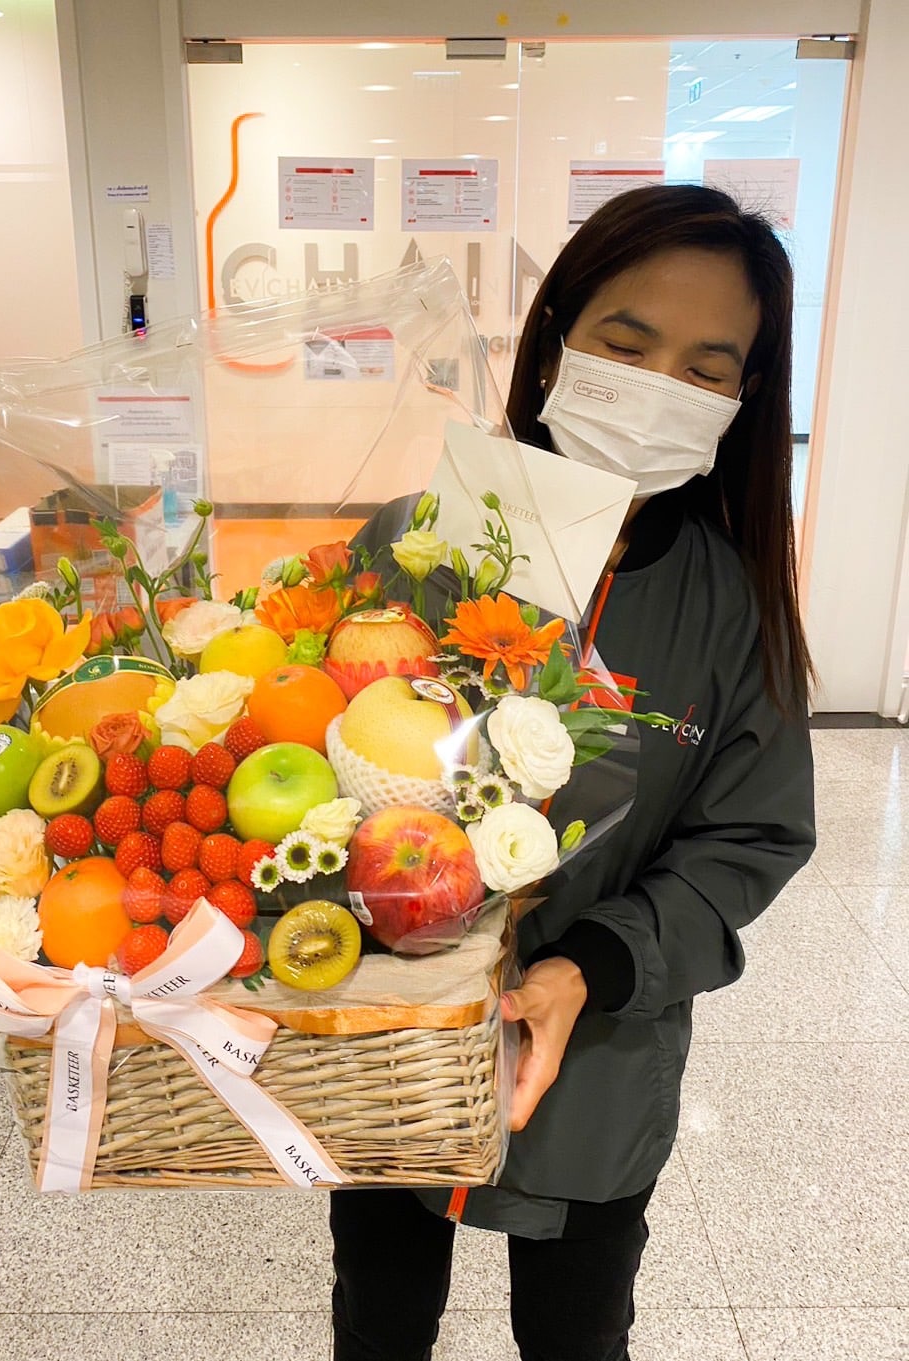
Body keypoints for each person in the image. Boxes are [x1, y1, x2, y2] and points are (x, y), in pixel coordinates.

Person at [329, 184, 816, 1361]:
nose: (658, 387)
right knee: (379, 1317)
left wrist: (592, 965)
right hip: (396, 1033)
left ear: (741, 400)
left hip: (600, 1040)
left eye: (708, 366)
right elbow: (306, 758)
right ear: (553, 341)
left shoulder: (731, 604)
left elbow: (749, 837)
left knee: (579, 1328)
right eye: (625, 340)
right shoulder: (415, 541)